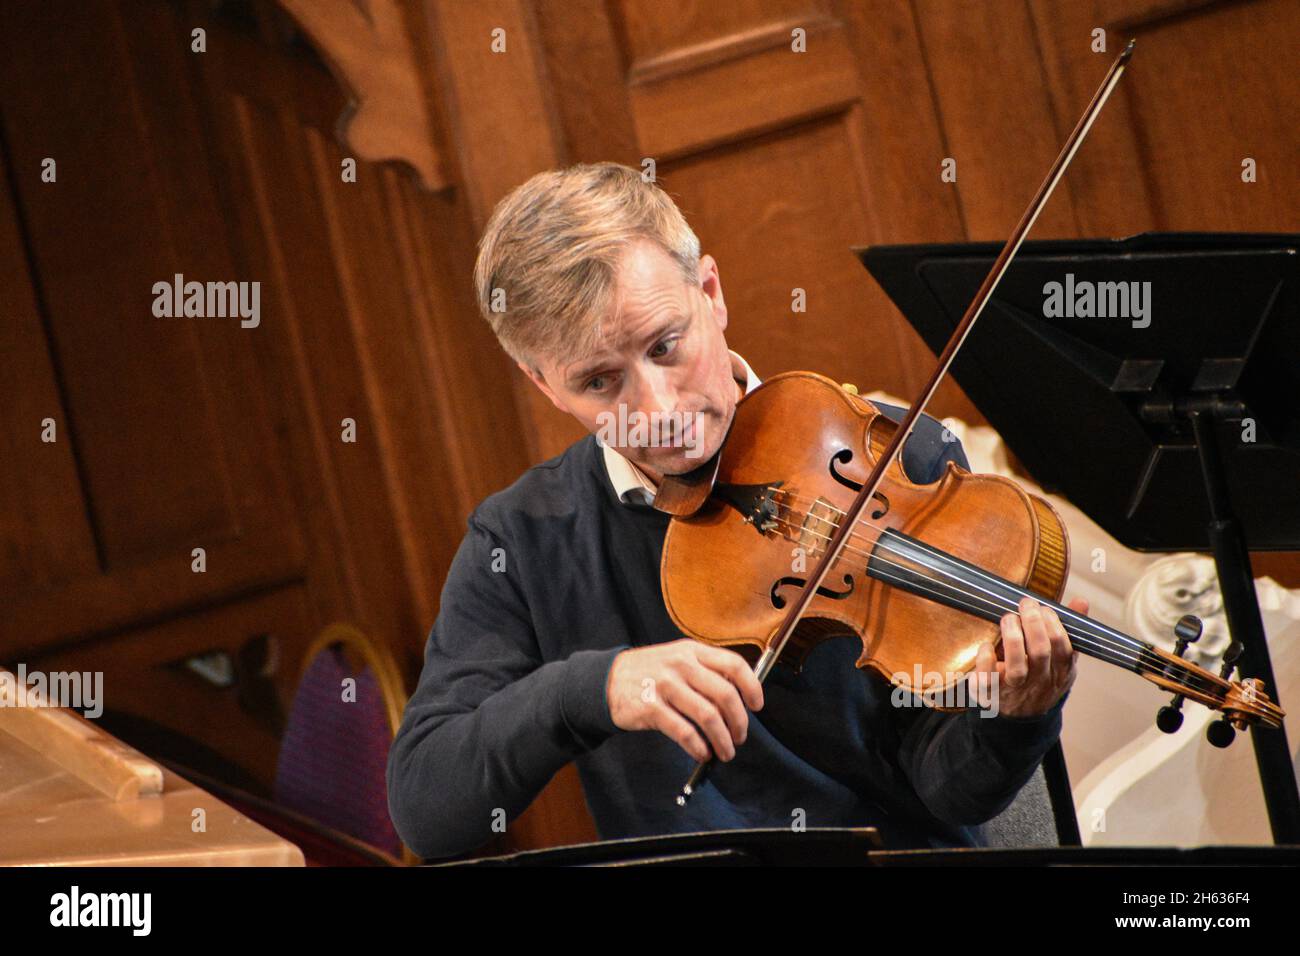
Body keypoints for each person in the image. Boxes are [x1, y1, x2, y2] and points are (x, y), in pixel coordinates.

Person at [386, 162, 1086, 860]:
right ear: (542, 383)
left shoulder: (895, 460)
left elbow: (949, 794)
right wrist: (591, 688)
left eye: (666, 346)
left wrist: (1013, 715)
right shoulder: (525, 538)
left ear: (711, 294)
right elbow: (428, 811)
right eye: (600, 382)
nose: (657, 412)